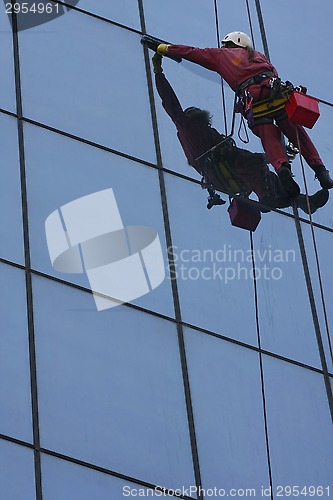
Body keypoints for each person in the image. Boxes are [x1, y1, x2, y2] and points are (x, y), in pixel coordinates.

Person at [152, 33, 333, 198]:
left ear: (230, 44)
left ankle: (282, 168)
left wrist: (166, 48)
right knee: (296, 133)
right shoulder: (259, 56)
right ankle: (320, 170)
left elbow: (193, 53)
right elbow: (274, 74)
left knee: (268, 136)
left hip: (254, 100)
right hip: (276, 93)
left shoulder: (221, 55)